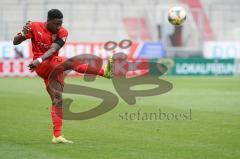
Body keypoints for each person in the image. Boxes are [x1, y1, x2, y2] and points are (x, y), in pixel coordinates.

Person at [13, 9, 112, 144]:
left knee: (57, 99)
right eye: (56, 24)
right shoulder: (35, 27)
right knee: (71, 62)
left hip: (51, 67)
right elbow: (15, 42)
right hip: (43, 66)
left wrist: (39, 60)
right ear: (48, 21)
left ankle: (57, 136)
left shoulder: (62, 32)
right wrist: (23, 33)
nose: (59, 27)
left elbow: (53, 49)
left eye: (60, 24)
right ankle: (104, 72)